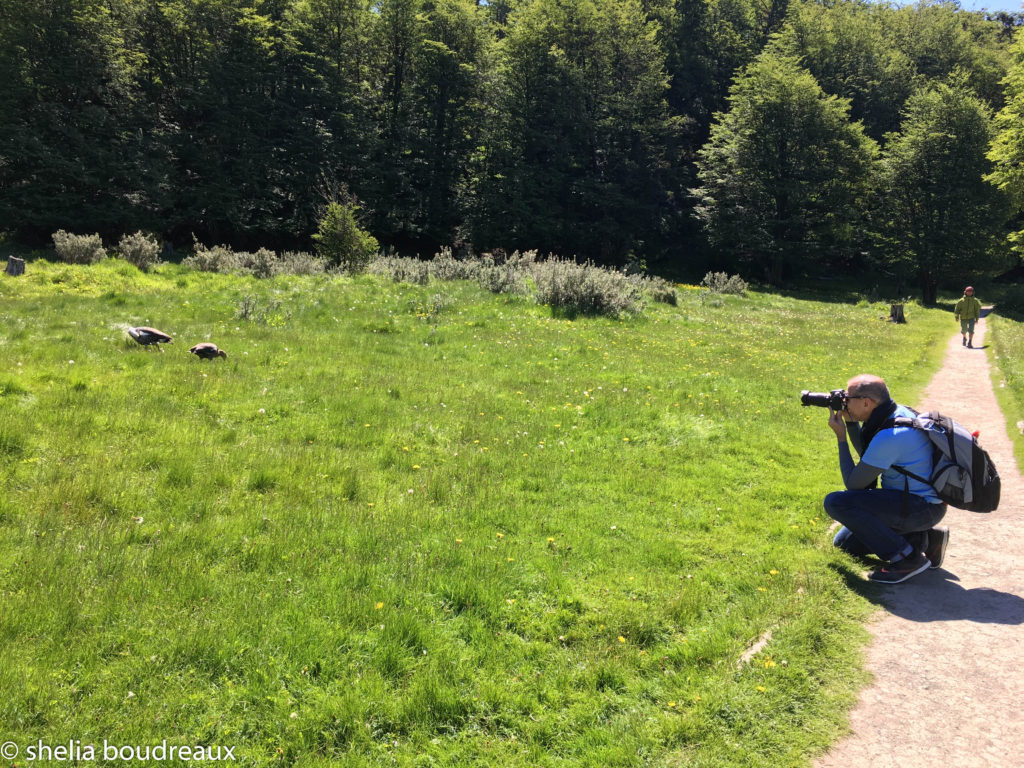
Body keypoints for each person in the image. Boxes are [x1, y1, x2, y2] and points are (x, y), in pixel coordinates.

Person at [824, 374, 949, 584]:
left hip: (920, 507)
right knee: (844, 544)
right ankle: (927, 539)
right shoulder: (897, 413)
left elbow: (854, 484)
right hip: (916, 503)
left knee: (836, 502)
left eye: (849, 398)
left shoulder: (891, 435)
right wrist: (852, 424)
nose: (845, 402)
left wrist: (841, 438)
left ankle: (907, 559)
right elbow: (869, 456)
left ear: (866, 402)